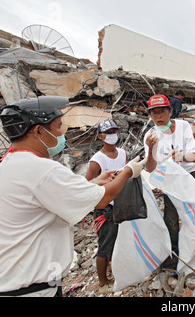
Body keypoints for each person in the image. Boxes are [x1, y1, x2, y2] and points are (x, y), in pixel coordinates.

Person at [0, 96, 146, 297]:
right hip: (29, 290)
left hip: (7, 285)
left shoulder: (8, 167)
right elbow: (102, 199)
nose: (62, 134)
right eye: (58, 127)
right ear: (39, 131)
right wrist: (130, 171)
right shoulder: (41, 169)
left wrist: (94, 183)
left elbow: (57, 195)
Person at [143, 94, 195, 272]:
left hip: (189, 176)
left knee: (193, 215)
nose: (158, 117)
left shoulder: (183, 126)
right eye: (154, 113)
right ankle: (172, 258)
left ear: (170, 111)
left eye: (162, 112)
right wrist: (151, 148)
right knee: (171, 220)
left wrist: (182, 156)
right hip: (170, 181)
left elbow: (194, 155)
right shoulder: (151, 135)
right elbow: (150, 168)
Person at [85, 119, 127, 294]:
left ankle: (112, 269)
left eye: (114, 131)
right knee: (105, 245)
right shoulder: (97, 160)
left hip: (120, 204)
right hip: (104, 208)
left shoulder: (123, 153)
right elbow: (87, 183)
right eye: (108, 133)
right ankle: (103, 282)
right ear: (100, 136)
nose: (112, 135)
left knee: (117, 240)